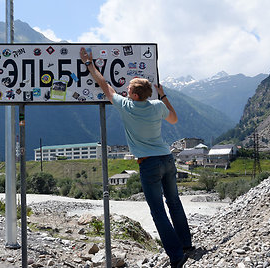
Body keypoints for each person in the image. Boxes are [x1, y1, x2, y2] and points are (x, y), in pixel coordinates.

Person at [80, 47, 193, 268]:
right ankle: (186, 244)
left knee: (158, 211)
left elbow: (105, 85)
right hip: (168, 159)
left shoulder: (126, 107)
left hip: (148, 164)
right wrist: (163, 95)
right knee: (174, 203)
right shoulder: (158, 106)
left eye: (129, 88)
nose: (125, 89)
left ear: (133, 94)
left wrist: (89, 64)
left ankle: (177, 256)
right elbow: (174, 119)